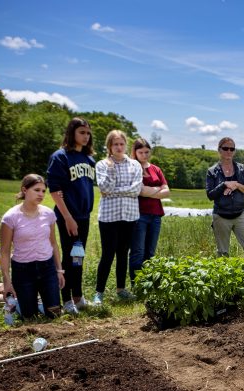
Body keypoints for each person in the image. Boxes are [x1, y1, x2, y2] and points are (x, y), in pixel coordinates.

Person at [46, 117, 96, 315]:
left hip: (83, 216)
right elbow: (55, 190)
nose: (86, 136)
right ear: (72, 133)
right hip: (68, 216)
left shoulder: (88, 159)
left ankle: (79, 297)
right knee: (68, 257)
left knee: (79, 257)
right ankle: (66, 300)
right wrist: (67, 217)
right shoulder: (61, 157)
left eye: (87, 133)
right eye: (81, 132)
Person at [0, 174, 65, 320]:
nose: (41, 194)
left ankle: (43, 309)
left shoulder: (48, 214)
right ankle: (23, 308)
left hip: (47, 268)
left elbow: (53, 243)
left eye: (43, 191)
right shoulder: (10, 217)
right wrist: (7, 281)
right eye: (37, 190)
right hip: (23, 271)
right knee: (29, 318)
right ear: (24, 190)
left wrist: (59, 270)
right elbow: (4, 251)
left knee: (54, 314)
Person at [93, 130, 143, 305]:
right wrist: (112, 170)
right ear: (109, 146)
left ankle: (121, 289)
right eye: (115, 144)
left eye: (122, 144)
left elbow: (136, 190)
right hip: (109, 216)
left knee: (123, 254)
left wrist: (114, 192)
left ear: (125, 145)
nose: (119, 147)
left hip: (129, 215)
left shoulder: (135, 165)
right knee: (108, 254)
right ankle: (99, 293)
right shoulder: (102, 165)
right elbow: (104, 188)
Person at [205, 137, 244, 257]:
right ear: (219, 150)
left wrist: (237, 185)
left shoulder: (242, 169)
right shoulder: (212, 171)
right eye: (225, 148)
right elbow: (210, 195)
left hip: (240, 214)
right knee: (223, 253)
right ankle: (224, 275)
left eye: (232, 149)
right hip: (221, 216)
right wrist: (224, 185)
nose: (229, 151)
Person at [129, 138, 170, 283]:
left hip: (156, 215)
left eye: (147, 152)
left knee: (150, 252)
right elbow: (139, 190)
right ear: (135, 152)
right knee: (137, 252)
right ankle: (136, 284)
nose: (144, 155)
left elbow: (167, 191)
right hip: (139, 214)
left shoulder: (155, 169)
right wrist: (157, 190)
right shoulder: (132, 167)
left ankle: (148, 283)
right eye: (141, 152)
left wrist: (150, 191)